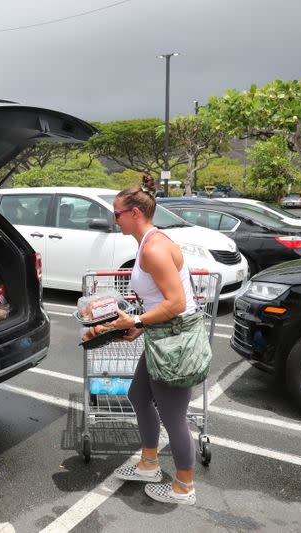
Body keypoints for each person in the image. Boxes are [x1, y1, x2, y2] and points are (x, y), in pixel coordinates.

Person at [108, 173, 200, 505]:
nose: (113, 219)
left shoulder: (155, 249)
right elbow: (163, 300)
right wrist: (143, 325)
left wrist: (136, 319)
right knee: (138, 394)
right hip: (162, 333)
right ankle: (149, 463)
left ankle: (184, 486)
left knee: (174, 414)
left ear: (134, 213)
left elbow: (175, 303)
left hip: (175, 338)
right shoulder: (149, 243)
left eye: (116, 213)